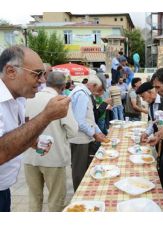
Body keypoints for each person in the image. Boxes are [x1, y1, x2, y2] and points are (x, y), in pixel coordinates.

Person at [0, 46, 70, 212]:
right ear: (11, 71)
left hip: (4, 188)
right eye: (37, 74)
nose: (42, 80)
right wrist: (46, 116)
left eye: (43, 74)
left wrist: (33, 142)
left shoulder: (19, 99)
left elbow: (11, 136)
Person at [23, 71, 78, 212]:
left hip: (30, 157)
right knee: (56, 200)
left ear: (46, 82)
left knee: (34, 198)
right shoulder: (61, 100)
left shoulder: (28, 98)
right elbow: (73, 131)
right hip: (54, 158)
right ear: (63, 86)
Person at [68, 74, 107, 191]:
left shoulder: (84, 94)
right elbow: (80, 121)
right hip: (79, 139)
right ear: (93, 85)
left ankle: (85, 191)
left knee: (85, 168)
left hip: (84, 138)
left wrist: (99, 132)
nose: (98, 93)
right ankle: (79, 196)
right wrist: (94, 134)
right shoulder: (81, 95)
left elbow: (90, 119)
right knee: (79, 171)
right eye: (98, 89)